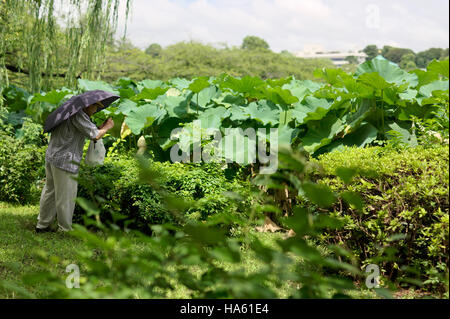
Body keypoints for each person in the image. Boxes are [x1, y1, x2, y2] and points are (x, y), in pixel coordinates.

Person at [35, 102, 114, 233]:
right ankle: (65, 229)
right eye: (95, 106)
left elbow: (88, 132)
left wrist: (100, 128)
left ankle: (42, 225)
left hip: (52, 157)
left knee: (50, 191)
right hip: (66, 161)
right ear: (87, 105)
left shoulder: (68, 112)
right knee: (66, 196)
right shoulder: (78, 115)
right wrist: (107, 127)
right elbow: (95, 135)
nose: (96, 109)